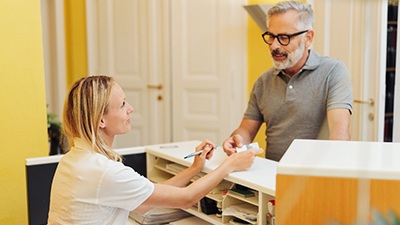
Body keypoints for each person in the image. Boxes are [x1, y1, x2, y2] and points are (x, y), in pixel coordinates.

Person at [47, 75, 262, 225]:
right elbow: (186, 198)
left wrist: (195, 169)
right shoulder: (105, 172)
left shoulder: (73, 159)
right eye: (122, 104)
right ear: (101, 120)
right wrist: (229, 164)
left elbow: (144, 201)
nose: (130, 109)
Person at [222, 1, 353, 162]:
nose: (274, 46)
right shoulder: (263, 82)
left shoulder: (333, 72)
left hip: (315, 175)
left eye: (284, 38)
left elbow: (340, 131)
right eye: (271, 36)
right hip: (271, 176)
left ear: (308, 38)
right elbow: (246, 131)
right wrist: (237, 140)